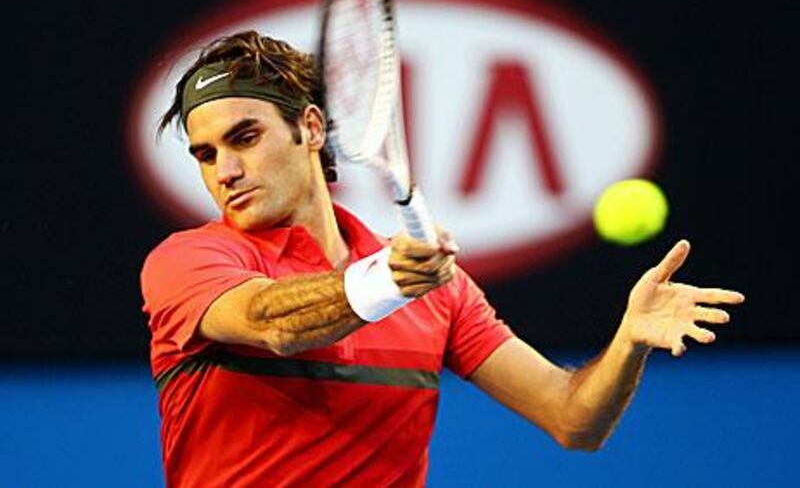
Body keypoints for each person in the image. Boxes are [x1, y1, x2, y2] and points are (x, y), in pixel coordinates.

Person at [141, 30, 745, 487]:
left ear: (312, 128)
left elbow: (573, 418)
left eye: (245, 138)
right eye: (204, 153)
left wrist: (627, 342)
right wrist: (388, 283)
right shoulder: (188, 261)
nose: (225, 171)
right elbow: (273, 324)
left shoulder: (441, 289)